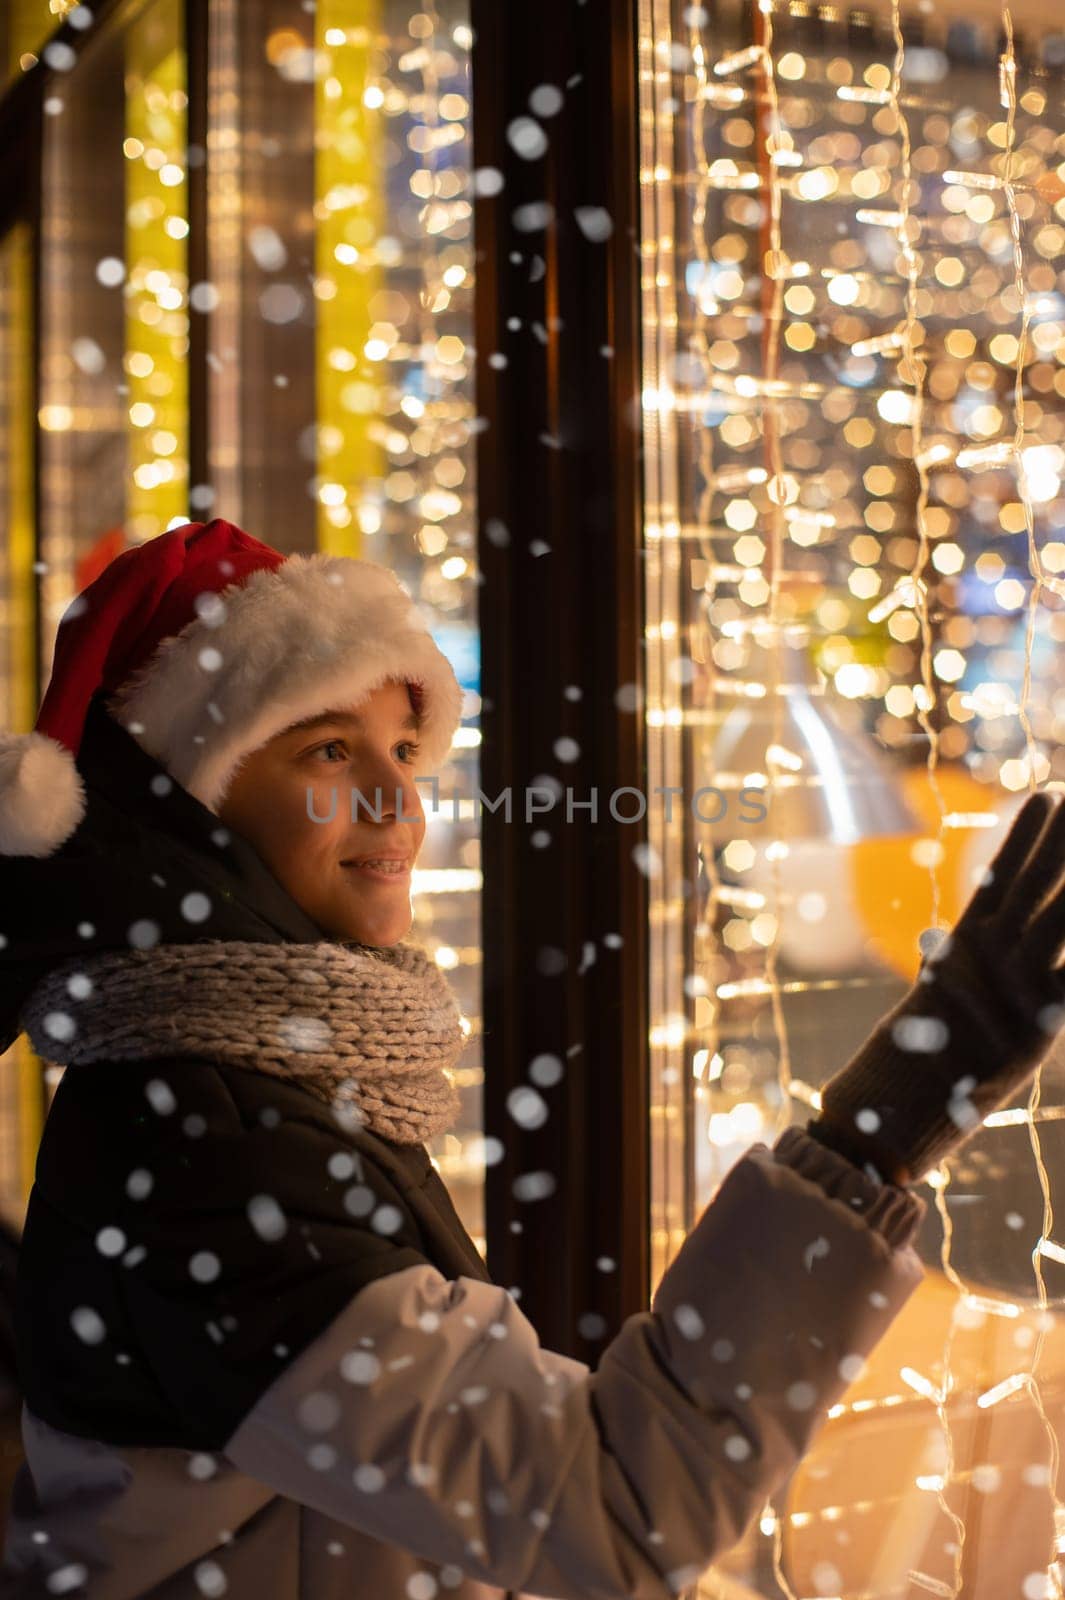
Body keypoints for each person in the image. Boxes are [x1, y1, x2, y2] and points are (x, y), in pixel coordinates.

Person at [0, 518, 1063, 1600]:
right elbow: (616, 1510)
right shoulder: (207, 1156)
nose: (396, 800)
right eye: (328, 749)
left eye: (404, 751)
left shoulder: (236, 1083)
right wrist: (883, 1120)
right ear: (190, 809)